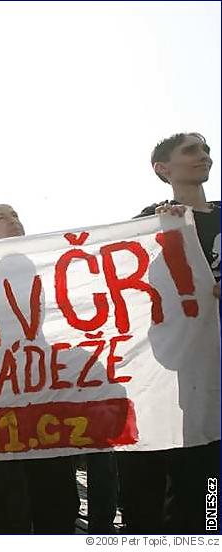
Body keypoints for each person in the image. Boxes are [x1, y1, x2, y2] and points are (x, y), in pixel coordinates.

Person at [118, 132, 220, 533]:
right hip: (172, 373)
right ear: (163, 168)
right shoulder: (146, 223)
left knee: (209, 485)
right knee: (167, 471)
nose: (204, 156)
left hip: (217, 370)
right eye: (191, 151)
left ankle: (209, 533)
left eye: (207, 149)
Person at [0, 204, 81, 534]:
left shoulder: (39, 263)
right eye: (2, 217)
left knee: (53, 490)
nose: (13, 221)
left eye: (15, 215)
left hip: (38, 381)